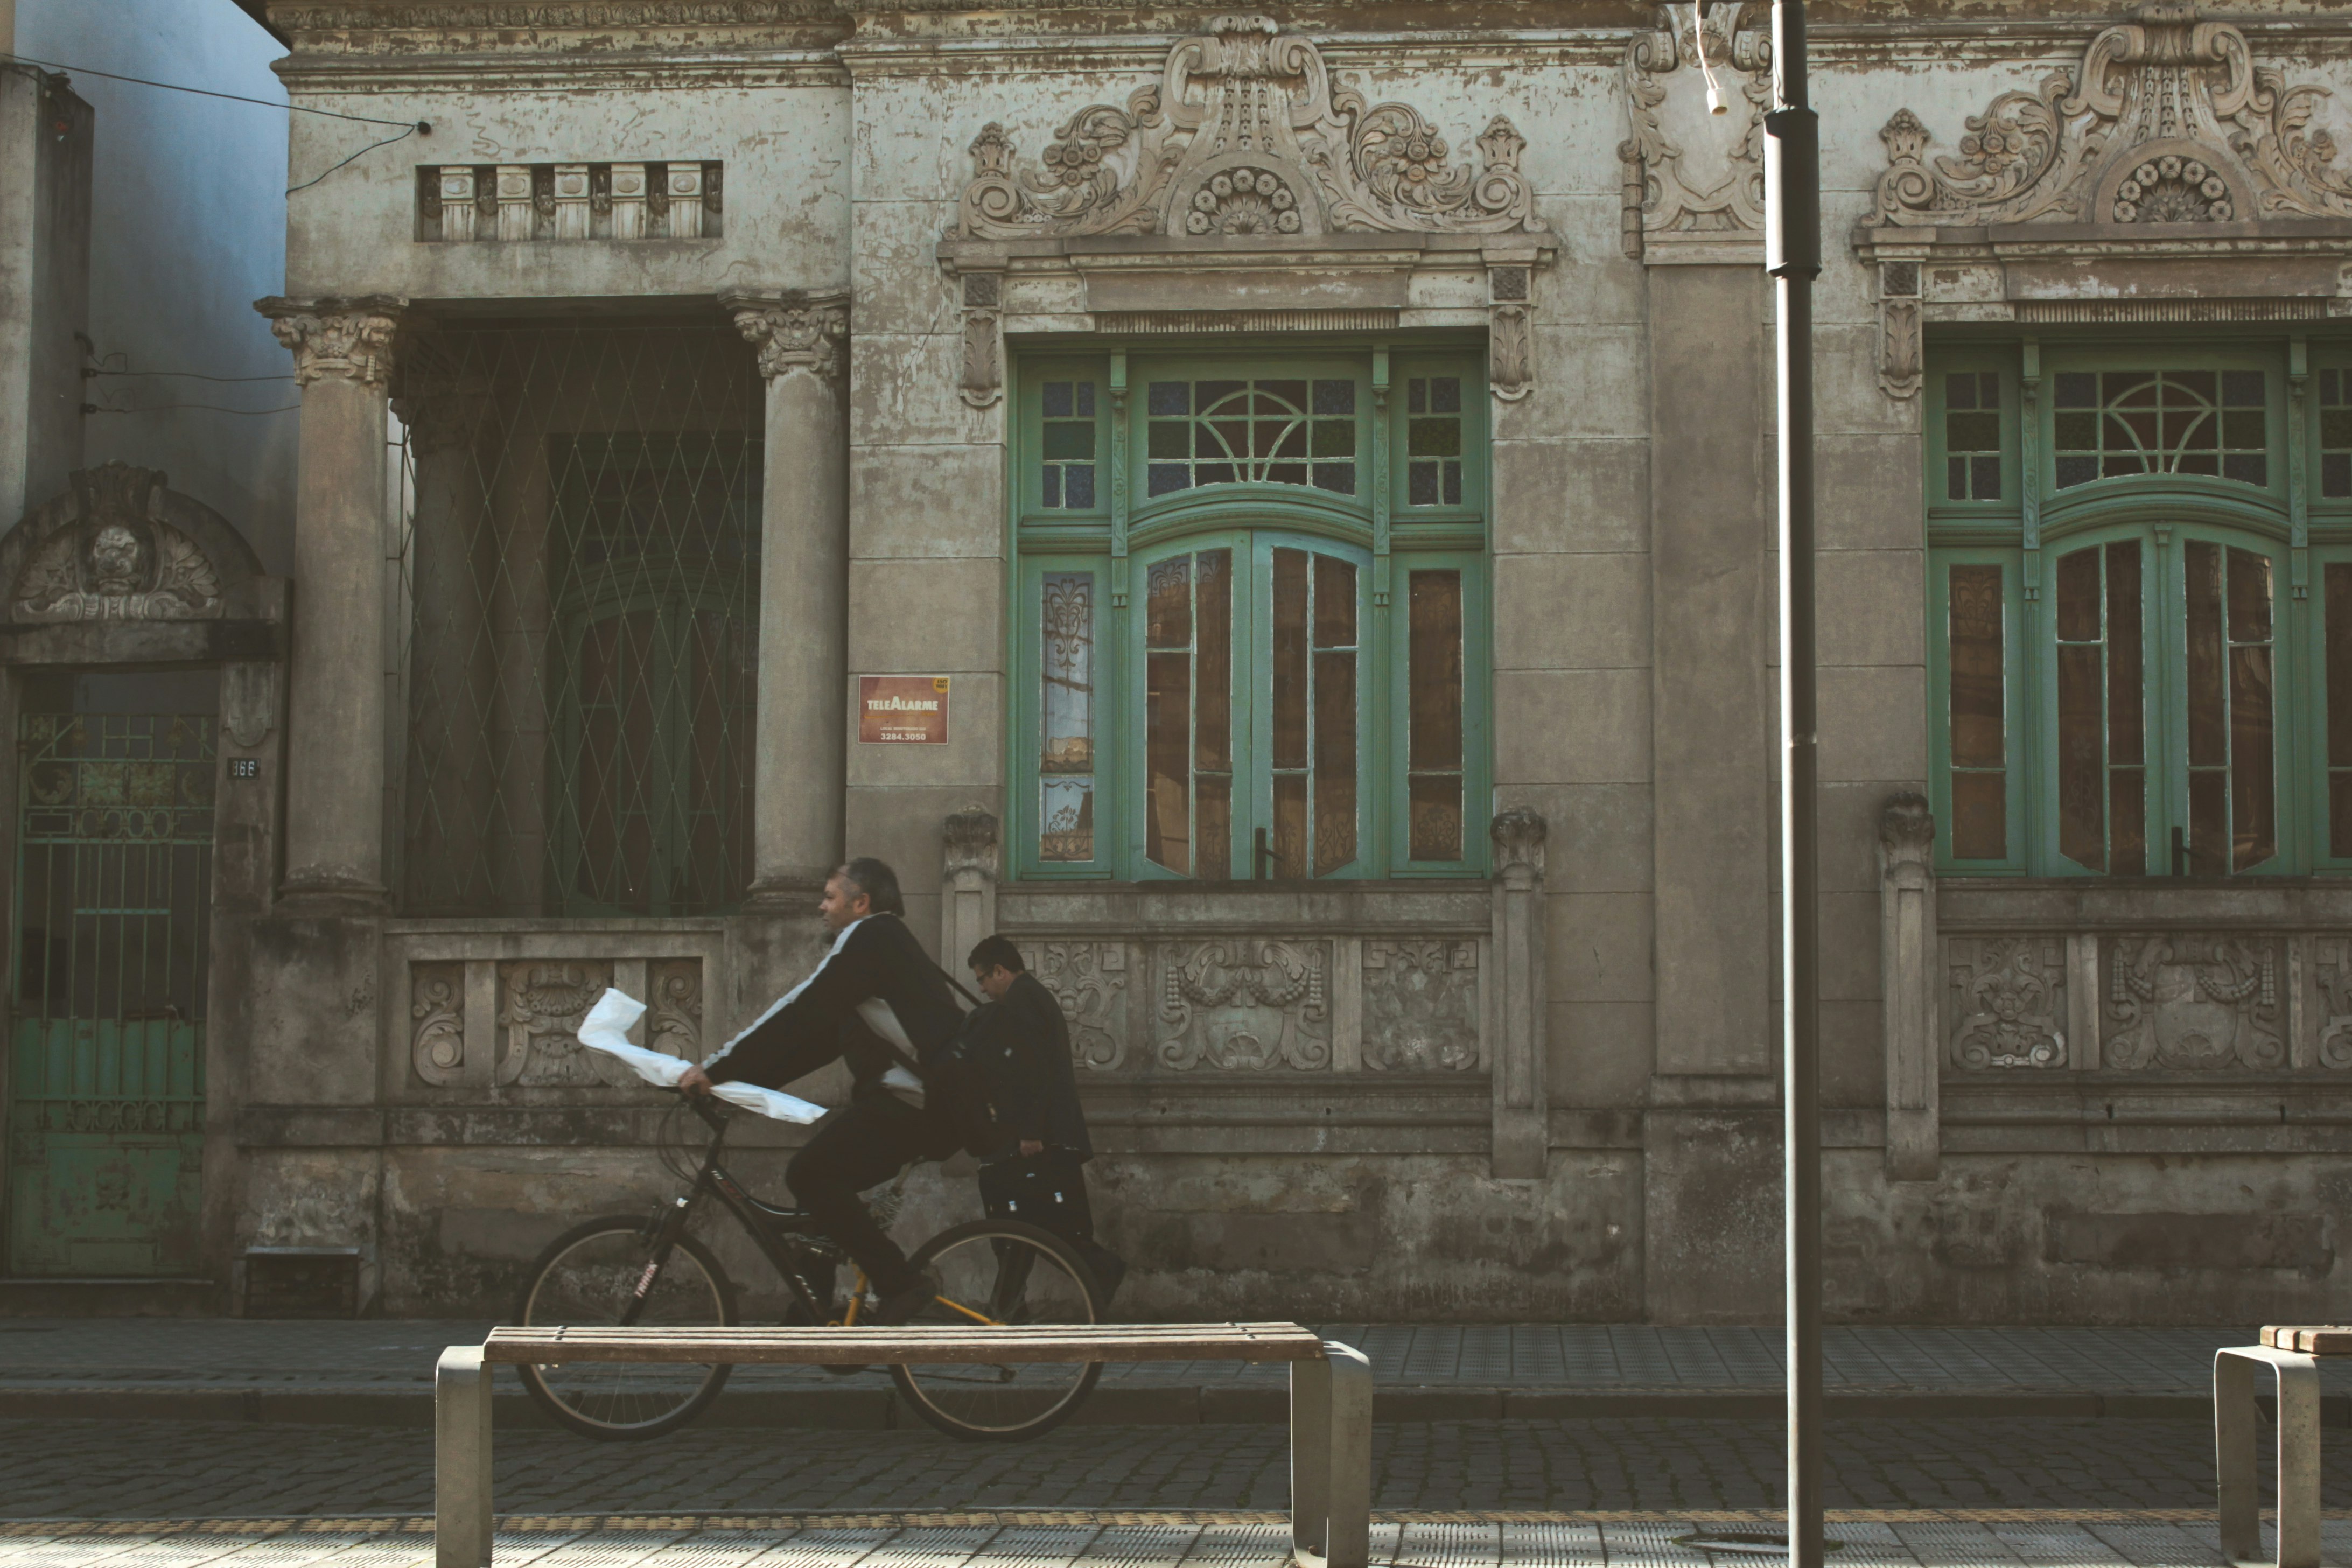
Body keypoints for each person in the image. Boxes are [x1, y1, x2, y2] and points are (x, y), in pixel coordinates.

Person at [677, 857, 962, 1325]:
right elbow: (819, 1042)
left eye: (830, 896)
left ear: (861, 902)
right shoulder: (879, 950)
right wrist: (732, 1087)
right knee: (821, 1181)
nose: (821, 906)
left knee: (811, 1175)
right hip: (919, 1104)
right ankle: (814, 1312)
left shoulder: (870, 937)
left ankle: (901, 1284)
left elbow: (800, 1009)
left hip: (919, 1104)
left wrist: (714, 1067)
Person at [965, 934, 1126, 1305]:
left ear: (1001, 971)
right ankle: (1010, 1303)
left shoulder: (1022, 999)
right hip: (1047, 1136)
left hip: (1042, 1139)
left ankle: (1092, 1271)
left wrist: (1031, 1132)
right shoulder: (1031, 997)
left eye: (983, 978)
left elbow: (1035, 1069)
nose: (983, 988)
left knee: (1027, 1222)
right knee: (1026, 1222)